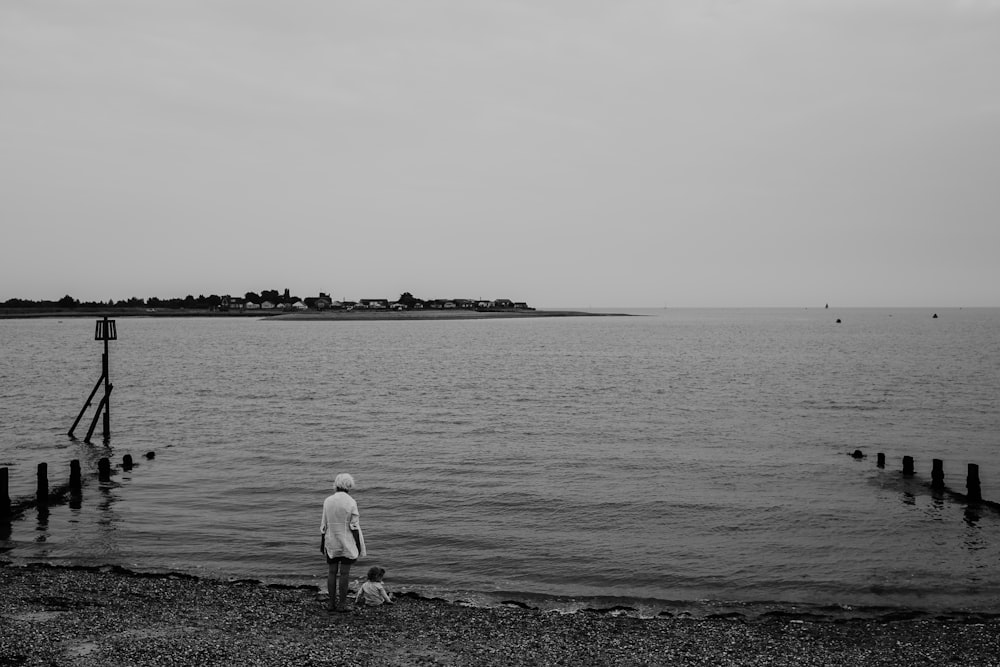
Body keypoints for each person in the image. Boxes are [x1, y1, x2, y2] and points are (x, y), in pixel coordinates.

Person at [320, 473, 366, 612]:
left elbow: (324, 524)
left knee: (332, 572)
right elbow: (354, 526)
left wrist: (322, 543)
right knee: (344, 574)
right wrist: (358, 545)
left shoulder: (328, 501)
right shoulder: (351, 502)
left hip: (331, 540)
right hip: (347, 542)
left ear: (336, 484)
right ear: (349, 485)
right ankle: (342, 605)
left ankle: (331, 604)